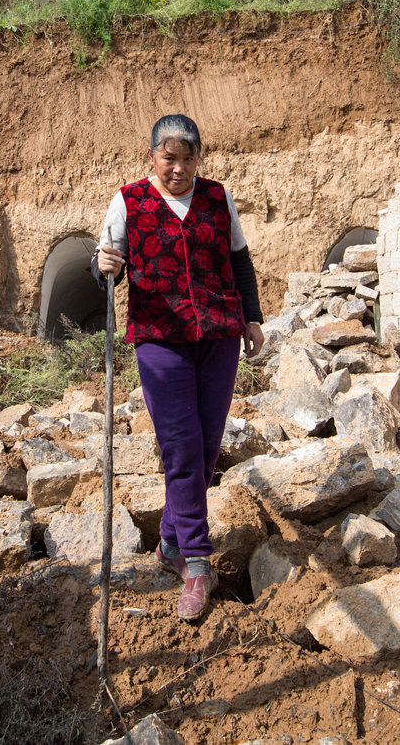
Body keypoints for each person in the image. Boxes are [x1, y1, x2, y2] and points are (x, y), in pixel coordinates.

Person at [94, 113, 264, 621]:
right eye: (169, 158)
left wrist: (252, 318)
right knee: (182, 445)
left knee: (207, 446)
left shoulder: (217, 197)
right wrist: (104, 266)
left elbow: (239, 260)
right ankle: (195, 561)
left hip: (218, 335)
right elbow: (109, 266)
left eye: (188, 158)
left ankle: (170, 539)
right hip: (159, 339)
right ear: (153, 156)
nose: (179, 168)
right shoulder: (128, 201)